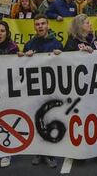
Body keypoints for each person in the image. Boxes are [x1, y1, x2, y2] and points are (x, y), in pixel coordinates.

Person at [22, 15, 63, 168]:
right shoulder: (29, 44)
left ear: (48, 25)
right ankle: (39, 151)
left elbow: (66, 64)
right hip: (35, 89)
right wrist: (25, 57)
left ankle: (50, 153)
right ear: (34, 27)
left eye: (42, 24)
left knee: (49, 119)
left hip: (52, 89)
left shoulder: (57, 43)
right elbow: (21, 64)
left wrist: (61, 56)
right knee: (37, 119)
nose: (40, 26)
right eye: (37, 24)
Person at [0, 20, 19, 168]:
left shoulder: (13, 48)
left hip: (6, 91)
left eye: (2, 31)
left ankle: (5, 152)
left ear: (7, 33)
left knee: (6, 121)